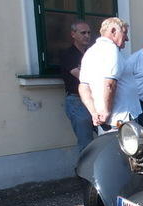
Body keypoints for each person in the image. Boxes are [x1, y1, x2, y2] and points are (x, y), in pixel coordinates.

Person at [79, 17, 141, 134]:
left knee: (107, 149)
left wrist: (94, 113)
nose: (127, 39)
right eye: (125, 33)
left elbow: (83, 87)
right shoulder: (111, 50)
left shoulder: (90, 52)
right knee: (125, 151)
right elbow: (109, 84)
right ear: (113, 31)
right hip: (121, 118)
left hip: (105, 119)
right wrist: (106, 111)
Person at [59, 20, 93, 152]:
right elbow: (82, 77)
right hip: (76, 101)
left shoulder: (91, 54)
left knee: (106, 137)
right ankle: (84, 172)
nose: (87, 36)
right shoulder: (68, 54)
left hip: (94, 100)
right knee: (86, 144)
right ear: (73, 34)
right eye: (83, 32)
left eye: (89, 33)